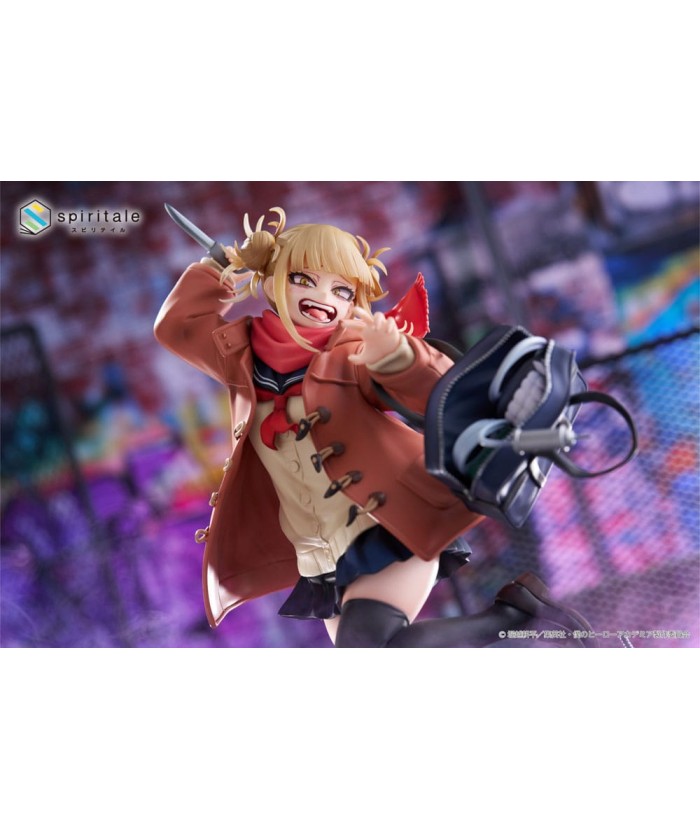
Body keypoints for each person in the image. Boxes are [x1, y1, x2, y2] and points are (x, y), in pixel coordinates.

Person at [154, 207, 595, 647]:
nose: (322, 297)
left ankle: (519, 617)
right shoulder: (240, 355)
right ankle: (521, 619)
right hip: (321, 556)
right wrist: (219, 267)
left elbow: (437, 392)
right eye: (303, 279)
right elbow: (178, 327)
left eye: (341, 289)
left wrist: (396, 355)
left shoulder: (351, 351)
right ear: (271, 283)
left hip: (385, 525)